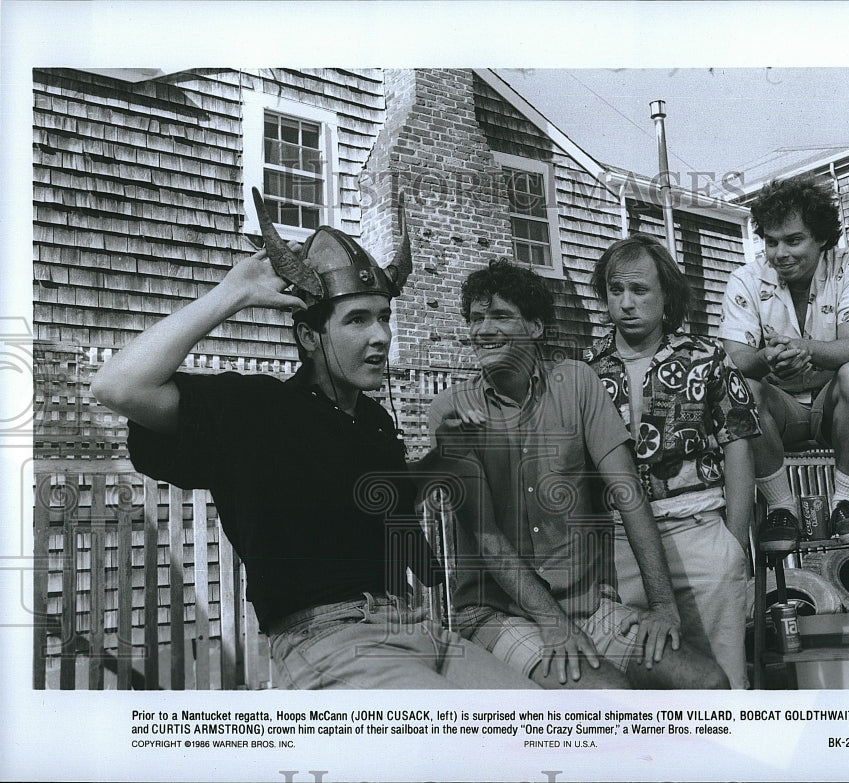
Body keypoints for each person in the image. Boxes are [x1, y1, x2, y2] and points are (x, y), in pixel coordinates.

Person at [91, 189, 535, 690]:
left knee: (535, 718)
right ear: (309, 337)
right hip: (331, 640)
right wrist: (231, 294)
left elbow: (367, 497)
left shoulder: (372, 422)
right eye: (357, 320)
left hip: (415, 627)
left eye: (384, 317)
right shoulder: (254, 409)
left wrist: (441, 457)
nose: (381, 336)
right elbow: (116, 386)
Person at [423, 259, 729, 690]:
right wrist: (552, 623)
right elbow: (486, 536)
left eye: (500, 316)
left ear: (535, 328)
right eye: (476, 318)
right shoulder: (451, 411)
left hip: (587, 604)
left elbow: (629, 494)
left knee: (708, 684)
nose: (484, 329)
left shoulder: (578, 383)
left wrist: (663, 606)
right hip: (499, 613)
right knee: (609, 697)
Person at [584, 233, 760, 689]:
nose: (626, 303)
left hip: (698, 531)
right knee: (645, 677)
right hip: (620, 545)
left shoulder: (708, 359)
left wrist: (733, 545)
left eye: (640, 291)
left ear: (666, 297)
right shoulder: (586, 369)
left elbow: (738, 445)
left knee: (722, 679)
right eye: (615, 291)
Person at [719, 173, 849, 555]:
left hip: (833, 410)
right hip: (778, 415)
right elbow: (735, 360)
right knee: (739, 386)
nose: (781, 253)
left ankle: (846, 502)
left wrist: (802, 348)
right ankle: (781, 507)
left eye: (794, 240)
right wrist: (767, 358)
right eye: (771, 242)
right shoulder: (744, 278)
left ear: (822, 237)